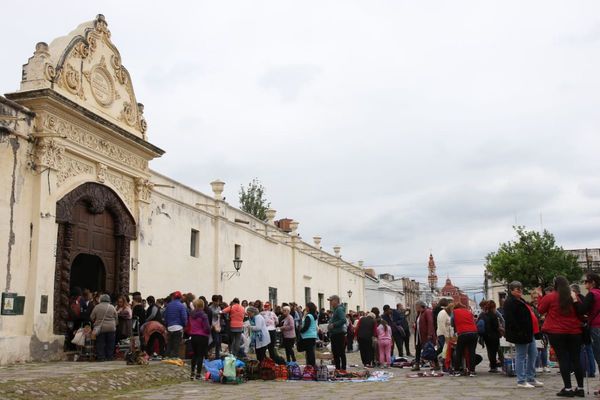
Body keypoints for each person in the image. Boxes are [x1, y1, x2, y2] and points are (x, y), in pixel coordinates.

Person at [538, 276, 585, 397]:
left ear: (555, 285)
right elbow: (581, 310)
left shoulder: (551, 296)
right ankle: (580, 388)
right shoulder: (574, 296)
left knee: (563, 359)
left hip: (556, 331)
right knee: (576, 359)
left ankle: (568, 388)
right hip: (575, 331)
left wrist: (540, 296)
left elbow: (541, 309)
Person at [503, 281, 543, 389]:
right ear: (511, 290)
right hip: (521, 334)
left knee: (533, 354)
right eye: (517, 289)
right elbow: (510, 320)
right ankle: (521, 380)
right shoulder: (509, 302)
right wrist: (519, 331)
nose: (520, 290)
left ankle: (531, 377)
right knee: (521, 356)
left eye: (520, 288)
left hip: (530, 332)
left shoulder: (520, 300)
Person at [572, 283, 595, 378]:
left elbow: (580, 312)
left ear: (575, 291)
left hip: (582, 327)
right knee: (588, 349)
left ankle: (586, 370)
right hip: (586, 326)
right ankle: (591, 370)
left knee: (583, 349)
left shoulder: (578, 300)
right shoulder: (583, 298)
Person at [451, 302, 478, 376]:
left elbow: (452, 323)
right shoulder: (469, 312)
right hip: (474, 332)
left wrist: (456, 328)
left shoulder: (454, 312)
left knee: (459, 351)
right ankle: (472, 371)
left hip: (463, 333)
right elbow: (473, 321)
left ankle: (457, 371)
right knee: (472, 352)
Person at [89, 294, 118, 361]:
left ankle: (101, 357)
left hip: (100, 328)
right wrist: (114, 324)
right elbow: (116, 317)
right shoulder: (112, 307)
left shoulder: (97, 307)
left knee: (100, 343)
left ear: (101, 299)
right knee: (110, 343)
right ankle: (109, 356)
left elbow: (91, 317)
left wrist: (96, 321)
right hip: (111, 327)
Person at [188, 298, 210, 380]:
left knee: (194, 355)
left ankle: (192, 373)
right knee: (200, 356)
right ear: (202, 306)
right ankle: (198, 374)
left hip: (193, 336)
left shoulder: (192, 315)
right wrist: (210, 330)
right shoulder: (203, 315)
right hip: (202, 336)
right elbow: (206, 327)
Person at [412, 301, 438, 371]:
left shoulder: (427, 312)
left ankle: (436, 364)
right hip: (419, 335)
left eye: (416, 306)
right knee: (418, 349)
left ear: (420, 306)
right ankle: (417, 365)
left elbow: (430, 323)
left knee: (430, 349)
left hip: (425, 335)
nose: (415, 308)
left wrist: (430, 334)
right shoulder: (419, 314)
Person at [583, 273, 600, 376]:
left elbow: (582, 309)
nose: (584, 283)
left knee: (598, 356)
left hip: (596, 327)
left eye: (586, 281)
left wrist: (575, 301)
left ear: (593, 282)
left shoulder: (592, 294)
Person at [479, 300, 502, 373]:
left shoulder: (482, 314)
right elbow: (496, 326)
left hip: (486, 335)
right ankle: (494, 366)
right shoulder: (493, 315)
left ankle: (492, 367)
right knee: (494, 351)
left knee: (490, 351)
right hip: (494, 335)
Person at [164, 291, 188, 358]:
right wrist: (185, 325)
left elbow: (165, 316)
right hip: (178, 327)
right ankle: (174, 358)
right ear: (180, 298)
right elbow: (184, 317)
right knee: (176, 345)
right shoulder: (181, 306)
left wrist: (166, 325)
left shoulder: (169, 305)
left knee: (169, 344)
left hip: (169, 327)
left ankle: (167, 357)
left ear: (173, 297)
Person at [327, 295, 347, 372]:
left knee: (340, 351)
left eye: (331, 301)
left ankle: (343, 368)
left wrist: (333, 325)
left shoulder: (339, 309)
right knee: (335, 352)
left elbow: (343, 320)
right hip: (334, 334)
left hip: (338, 334)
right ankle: (338, 368)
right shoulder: (335, 310)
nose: (330, 302)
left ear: (336, 301)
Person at [300, 302, 318, 367]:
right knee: (311, 352)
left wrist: (300, 331)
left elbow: (306, 326)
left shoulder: (309, 316)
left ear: (308, 308)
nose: (306, 308)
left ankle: (311, 366)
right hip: (313, 335)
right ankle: (312, 365)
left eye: (306, 307)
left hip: (308, 336)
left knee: (309, 352)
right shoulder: (314, 315)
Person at [435, 299, 451, 363]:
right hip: (443, 334)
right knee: (445, 349)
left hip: (443, 333)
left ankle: (433, 359)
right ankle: (443, 361)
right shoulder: (443, 312)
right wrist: (446, 336)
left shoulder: (444, 312)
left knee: (442, 348)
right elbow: (442, 325)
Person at [208, 295, 222, 360]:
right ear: (213, 301)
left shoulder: (219, 307)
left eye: (218, 301)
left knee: (218, 341)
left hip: (217, 326)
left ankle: (217, 356)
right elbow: (214, 314)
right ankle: (207, 349)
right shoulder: (210, 308)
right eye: (216, 301)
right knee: (216, 341)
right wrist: (219, 312)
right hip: (212, 326)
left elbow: (219, 316)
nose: (218, 303)